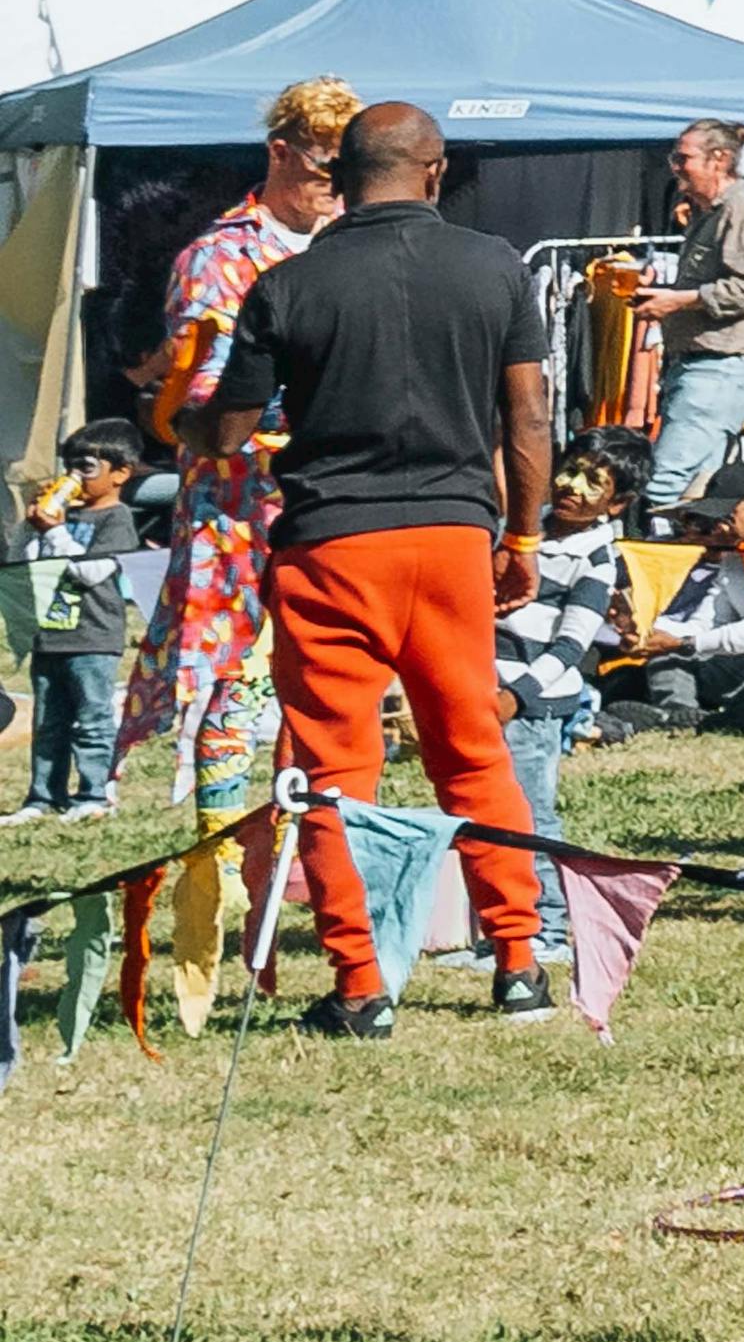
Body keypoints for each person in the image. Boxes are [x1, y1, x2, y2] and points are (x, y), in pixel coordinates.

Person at [217, 104, 562, 1029]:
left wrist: (182, 416)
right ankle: (520, 962)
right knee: (473, 749)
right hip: (454, 539)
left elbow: (228, 429)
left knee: (334, 769)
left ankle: (362, 984)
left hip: (332, 545)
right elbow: (527, 420)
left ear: (337, 177)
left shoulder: (286, 283)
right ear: (435, 173)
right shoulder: (495, 266)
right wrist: (522, 537)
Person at [131, 77, 355, 811]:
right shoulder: (219, 257)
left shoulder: (360, 240)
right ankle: (218, 885)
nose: (335, 184)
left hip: (336, 504)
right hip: (238, 514)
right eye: (324, 166)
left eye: (347, 168)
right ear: (280, 152)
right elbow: (203, 395)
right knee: (234, 693)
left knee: (323, 692)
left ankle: (305, 857)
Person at [645, 114, 744, 499]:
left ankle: (651, 560)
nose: (675, 168)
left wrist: (678, 300)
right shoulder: (710, 215)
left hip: (720, 370)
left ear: (719, 159)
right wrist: (659, 291)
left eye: (683, 158)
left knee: (663, 487)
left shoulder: (741, 211)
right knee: (698, 498)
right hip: (703, 372)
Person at [20, 429, 152, 813]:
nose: (75, 475)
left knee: (92, 720)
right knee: (48, 725)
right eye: (70, 466)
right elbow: (33, 563)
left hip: (93, 637)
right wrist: (36, 527)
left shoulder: (118, 519)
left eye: (87, 467)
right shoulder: (65, 518)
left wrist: (56, 531)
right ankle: (44, 796)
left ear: (120, 474)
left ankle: (95, 794)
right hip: (51, 634)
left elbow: (89, 572)